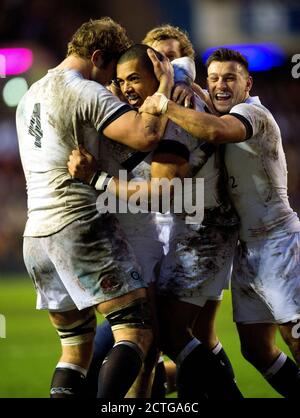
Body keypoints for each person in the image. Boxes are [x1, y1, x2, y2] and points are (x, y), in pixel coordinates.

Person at [68, 43, 243, 399]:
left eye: (135, 78)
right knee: (158, 337)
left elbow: (160, 192)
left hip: (201, 229)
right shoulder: (137, 111)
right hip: (179, 229)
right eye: (121, 80)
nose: (126, 87)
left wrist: (96, 180)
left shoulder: (177, 113)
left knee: (163, 334)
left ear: (158, 71)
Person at [16, 17, 173, 399]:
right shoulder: (82, 90)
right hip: (77, 224)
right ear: (98, 57)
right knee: (136, 326)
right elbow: (146, 133)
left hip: (36, 235)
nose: (113, 85)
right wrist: (165, 86)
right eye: (111, 74)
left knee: (75, 350)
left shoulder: (30, 93)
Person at [140, 47, 300, 398]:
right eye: (213, 79)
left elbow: (215, 130)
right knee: (256, 348)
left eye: (230, 78)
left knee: (294, 336)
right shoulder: (216, 108)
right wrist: (187, 88)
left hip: (279, 242)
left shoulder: (252, 113)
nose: (220, 85)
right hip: (247, 250)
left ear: (248, 83)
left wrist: (164, 103)